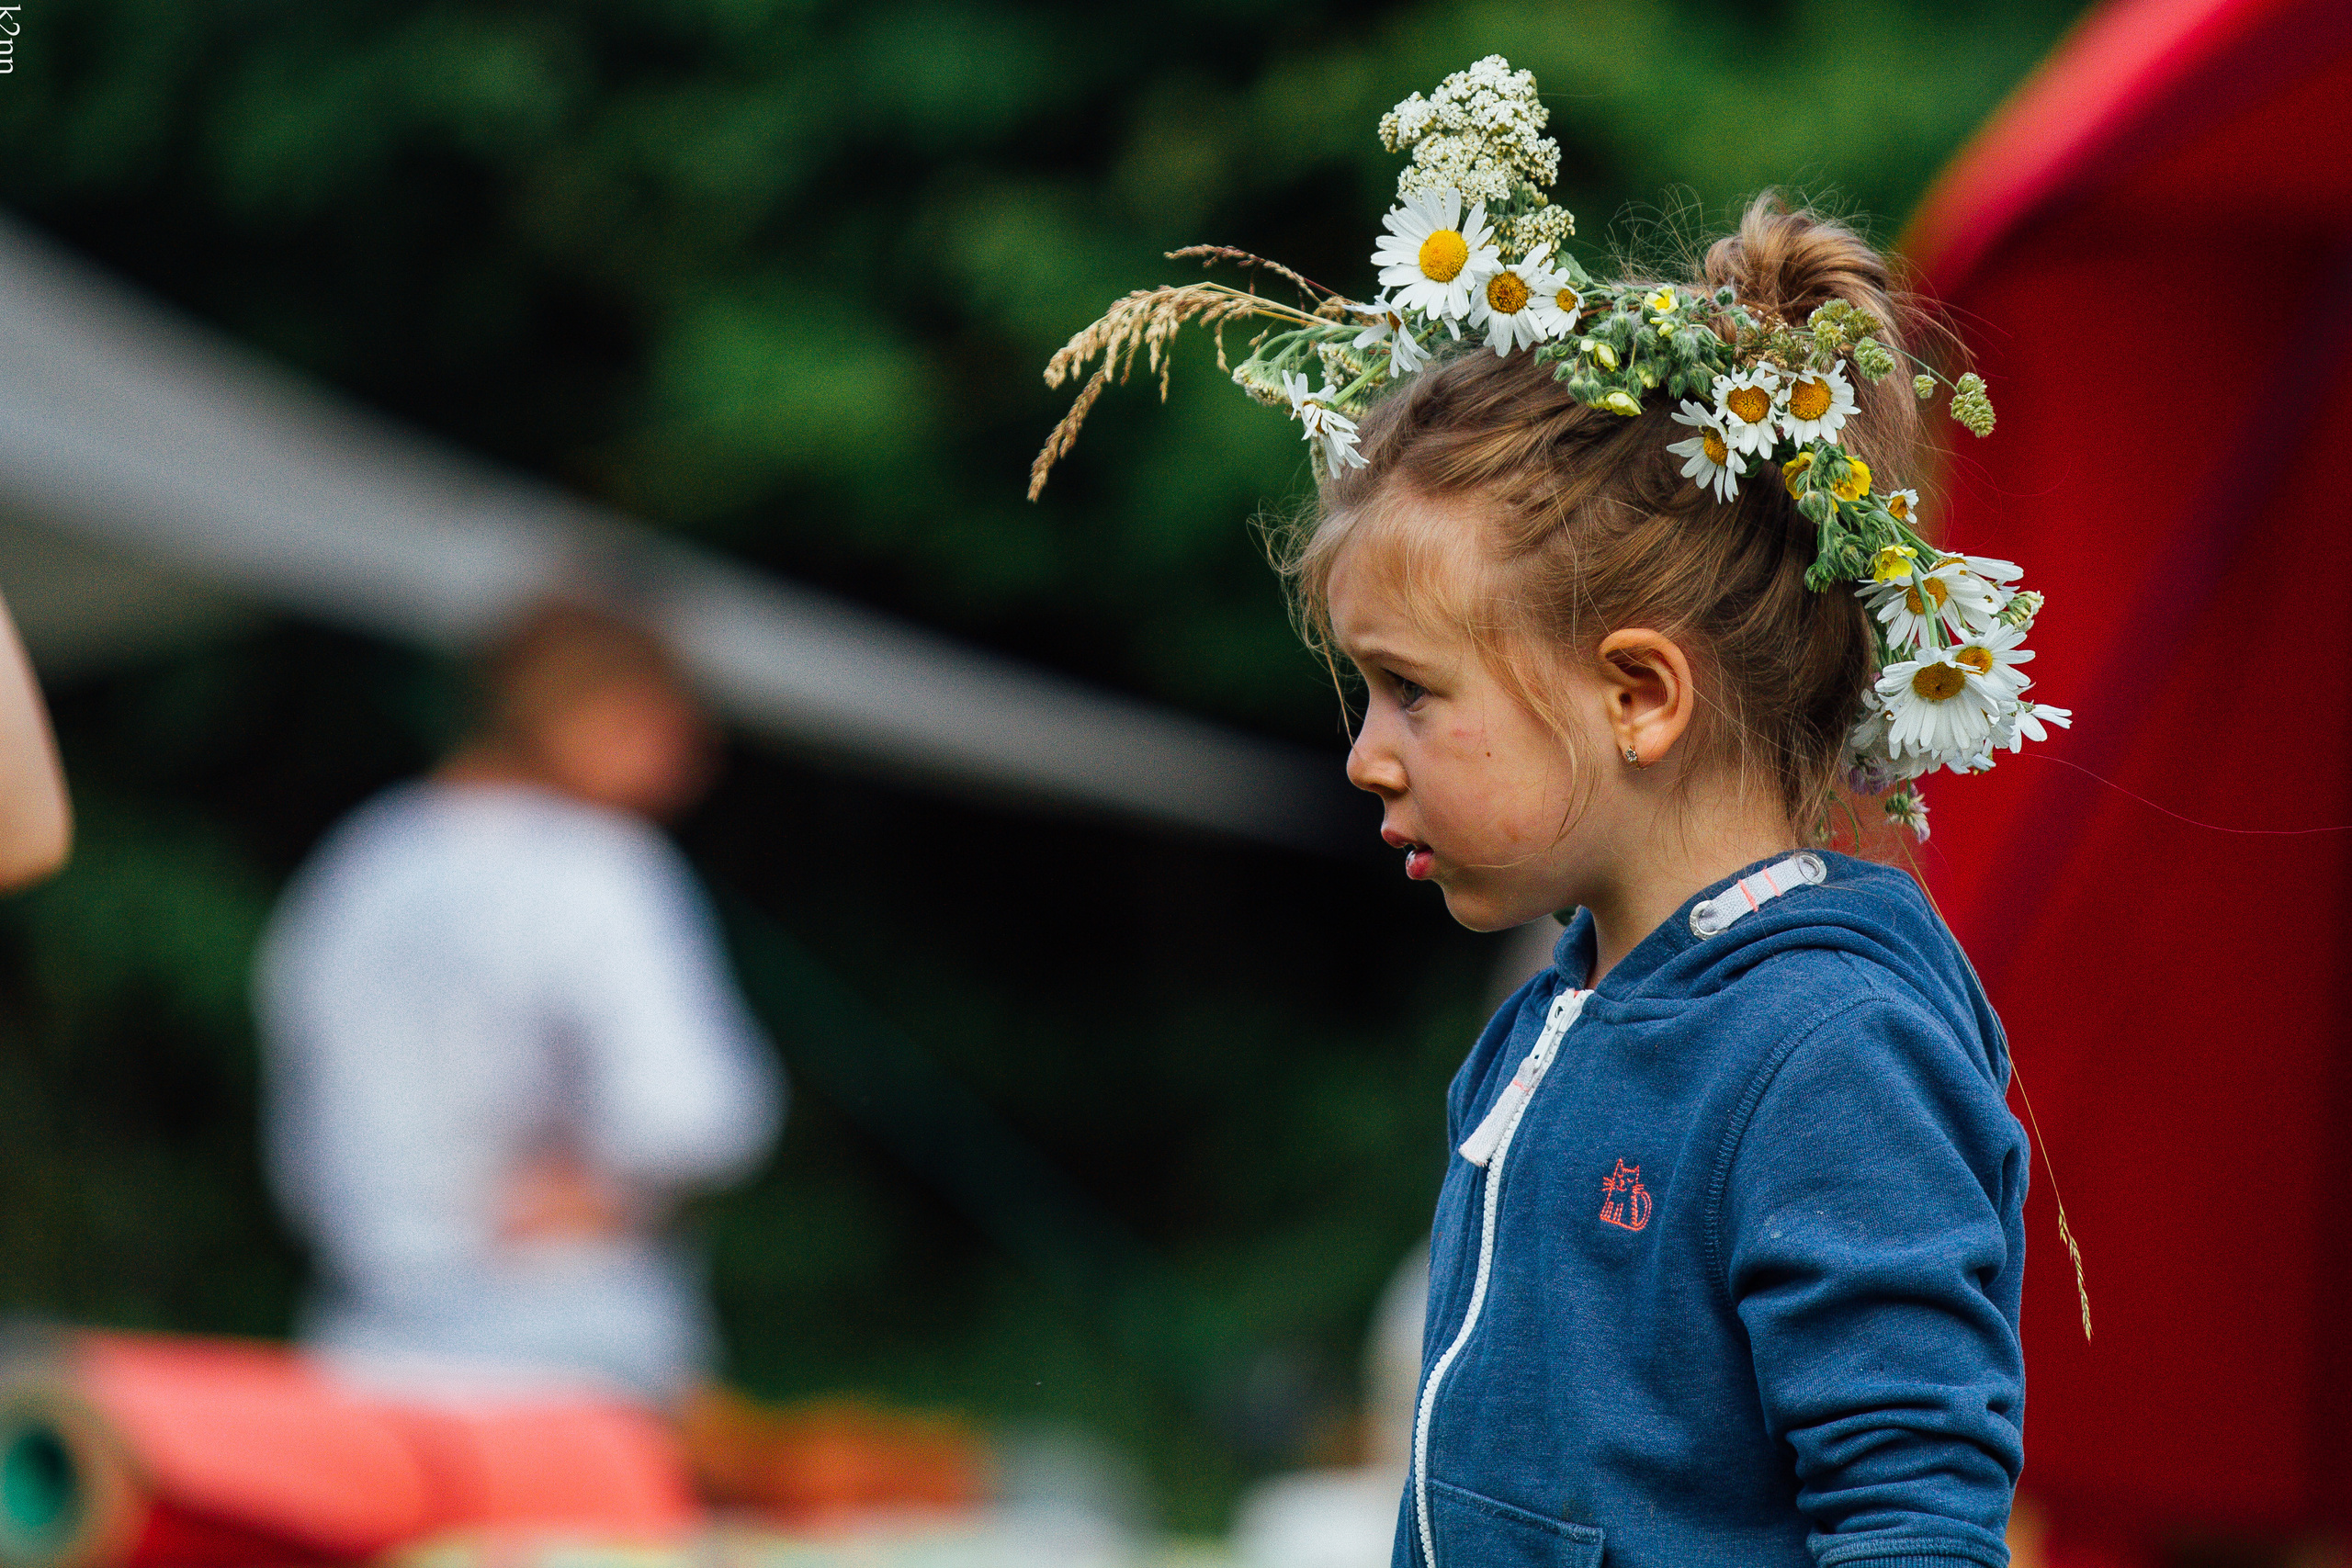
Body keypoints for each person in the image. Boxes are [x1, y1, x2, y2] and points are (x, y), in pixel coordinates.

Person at [1031, 55, 2059, 1568]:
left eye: (1411, 690)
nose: (1368, 756)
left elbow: (1911, 1519)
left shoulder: (1831, 1048)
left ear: (1640, 694)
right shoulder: (1566, 1010)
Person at [255, 600, 782, 1403]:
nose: (691, 767)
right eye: (672, 729)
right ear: (587, 713)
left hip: (363, 1349)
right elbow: (697, 1114)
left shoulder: (358, 862)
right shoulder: (598, 867)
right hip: (569, 1350)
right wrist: (610, 1187)